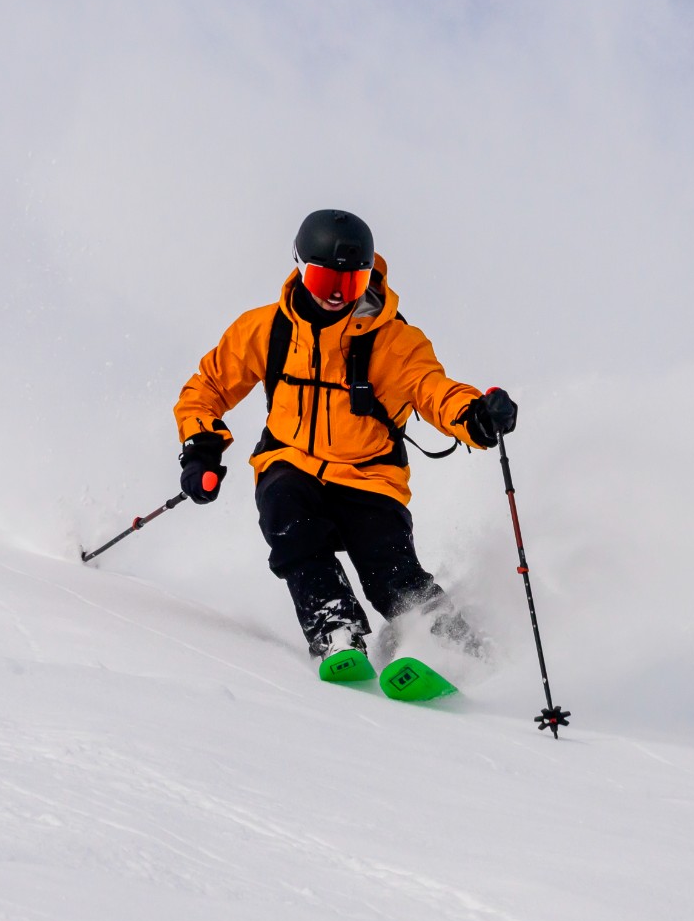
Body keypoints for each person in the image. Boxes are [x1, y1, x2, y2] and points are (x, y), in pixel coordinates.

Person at [174, 210, 516, 675]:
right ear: (298, 267)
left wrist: (474, 415)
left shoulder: (394, 342)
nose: (335, 293)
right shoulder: (267, 329)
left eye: (350, 284)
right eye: (322, 277)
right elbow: (208, 387)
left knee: (392, 577)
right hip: (290, 461)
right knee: (292, 529)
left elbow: (433, 389)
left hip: (369, 475)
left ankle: (459, 651)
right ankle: (336, 632)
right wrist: (200, 449)